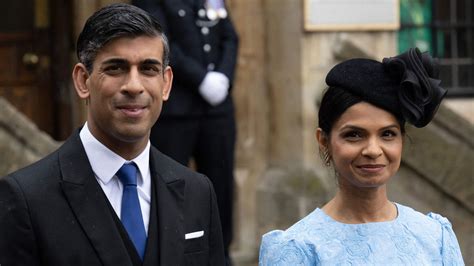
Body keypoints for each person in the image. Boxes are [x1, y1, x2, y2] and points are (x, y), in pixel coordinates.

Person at [0, 3, 225, 265]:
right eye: (115, 68)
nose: (133, 86)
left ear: (166, 84)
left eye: (148, 69)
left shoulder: (198, 192)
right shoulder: (26, 199)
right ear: (83, 81)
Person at [259, 48, 465, 265]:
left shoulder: (434, 237)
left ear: (401, 140)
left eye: (387, 134)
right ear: (324, 140)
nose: (373, 150)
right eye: (354, 135)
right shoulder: (298, 248)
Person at [131, 0, 239, 264]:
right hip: (176, 111)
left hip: (216, 111)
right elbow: (159, 42)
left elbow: (229, 36)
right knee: (169, 188)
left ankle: (220, 255)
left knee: (220, 186)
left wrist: (223, 77)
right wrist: (201, 79)